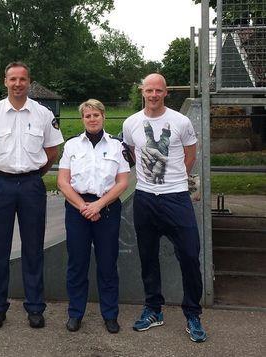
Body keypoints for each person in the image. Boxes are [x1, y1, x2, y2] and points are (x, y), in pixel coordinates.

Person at [0, 61, 64, 329]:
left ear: (29, 81)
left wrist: (33, 173)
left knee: (34, 249)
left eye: (22, 79)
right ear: (5, 82)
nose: (18, 84)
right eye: (13, 79)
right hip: (1, 184)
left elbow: (51, 151)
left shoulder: (43, 114)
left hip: (32, 185)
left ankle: (35, 307)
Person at [122, 73, 207, 343]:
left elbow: (191, 153)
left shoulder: (180, 122)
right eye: (149, 90)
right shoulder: (131, 122)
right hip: (145, 198)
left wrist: (174, 179)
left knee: (190, 255)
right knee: (148, 256)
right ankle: (153, 309)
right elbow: (133, 153)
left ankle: (193, 313)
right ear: (142, 91)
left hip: (176, 198)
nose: (154, 95)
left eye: (159, 90)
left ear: (166, 92)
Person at [57, 99, 130, 333]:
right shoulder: (72, 146)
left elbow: (122, 183)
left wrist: (98, 205)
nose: (92, 119)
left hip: (106, 208)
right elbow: (63, 182)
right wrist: (84, 207)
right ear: (82, 119)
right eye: (87, 116)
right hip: (78, 209)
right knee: (77, 264)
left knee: (107, 264)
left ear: (103, 116)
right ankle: (75, 314)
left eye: (96, 115)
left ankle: (110, 314)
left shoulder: (117, 146)